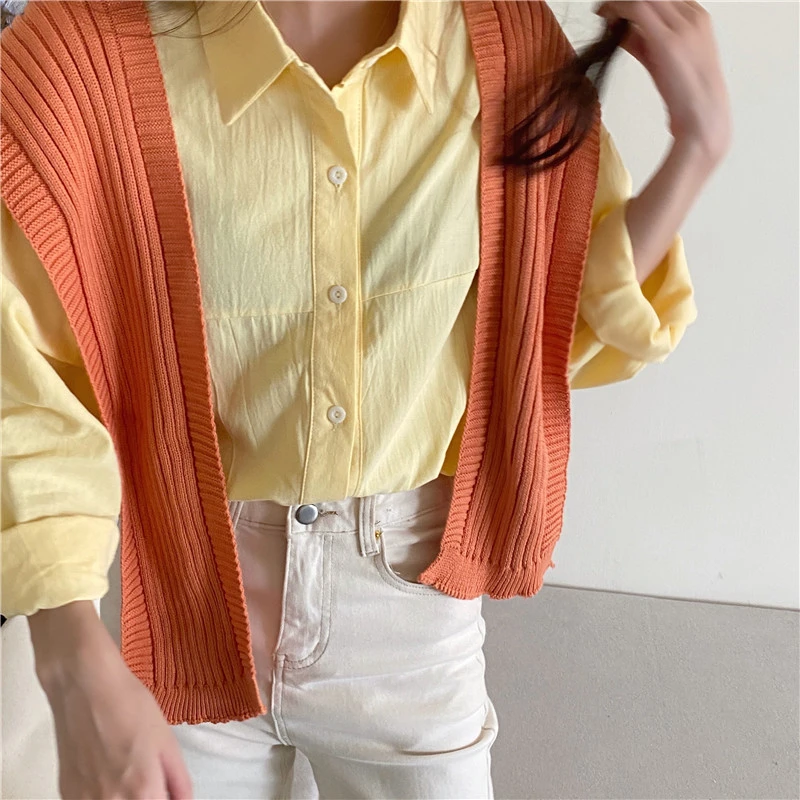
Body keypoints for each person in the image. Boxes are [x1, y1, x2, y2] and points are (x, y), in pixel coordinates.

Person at [0, 0, 729, 798]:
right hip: (185, 602)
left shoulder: (499, 42)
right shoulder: (81, 57)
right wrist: (69, 659)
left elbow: (551, 318)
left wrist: (697, 147)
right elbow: (25, 387)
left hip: (408, 613)